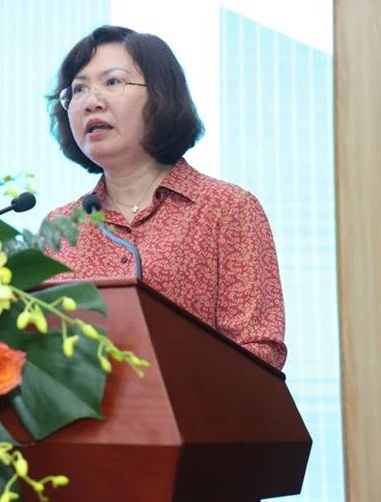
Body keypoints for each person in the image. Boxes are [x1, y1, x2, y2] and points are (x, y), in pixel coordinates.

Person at [45, 26, 286, 370]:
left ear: (160, 95)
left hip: (200, 405)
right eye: (78, 89)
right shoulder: (61, 226)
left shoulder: (226, 209)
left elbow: (258, 353)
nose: (91, 101)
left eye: (112, 82)